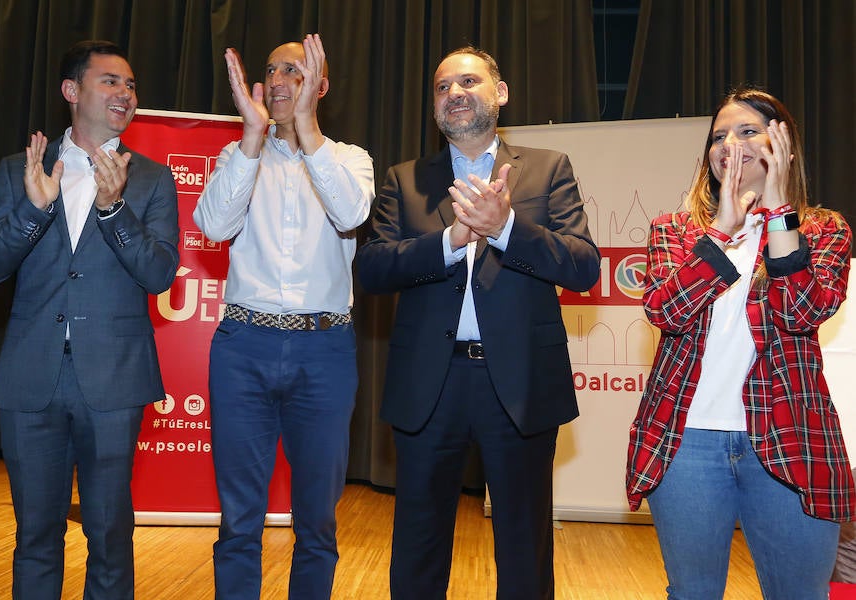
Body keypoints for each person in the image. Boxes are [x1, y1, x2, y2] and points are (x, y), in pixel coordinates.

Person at [356, 47, 601, 599]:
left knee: (523, 548)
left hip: (518, 382)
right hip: (430, 384)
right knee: (418, 546)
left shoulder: (548, 168)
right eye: (443, 87)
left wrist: (507, 227)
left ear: (501, 92)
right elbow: (371, 268)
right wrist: (449, 242)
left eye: (468, 81)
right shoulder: (405, 178)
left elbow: (583, 265)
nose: (455, 94)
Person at [0, 40, 180, 599]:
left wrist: (114, 209)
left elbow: (160, 274)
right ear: (72, 90)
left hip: (113, 381)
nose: (126, 94)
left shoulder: (153, 181)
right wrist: (32, 211)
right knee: (35, 534)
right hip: (30, 379)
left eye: (131, 86)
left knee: (110, 534)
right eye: (111, 81)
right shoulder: (22, 170)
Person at [626, 88, 855, 599]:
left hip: (790, 438)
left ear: (784, 145)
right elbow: (665, 311)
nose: (730, 143)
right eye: (718, 136)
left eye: (749, 130)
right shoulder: (676, 231)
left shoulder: (824, 230)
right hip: (686, 444)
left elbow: (802, 312)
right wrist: (723, 228)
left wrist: (778, 217)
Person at [192, 34, 374, 599]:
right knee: (239, 521)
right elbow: (215, 228)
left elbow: (351, 214)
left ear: (319, 86)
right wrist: (250, 136)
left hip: (325, 351)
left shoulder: (348, 158)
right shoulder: (237, 156)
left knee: (317, 521)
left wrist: (307, 129)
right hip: (243, 347)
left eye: (293, 70)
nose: (275, 80)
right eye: (269, 70)